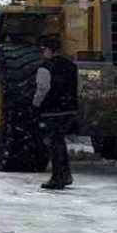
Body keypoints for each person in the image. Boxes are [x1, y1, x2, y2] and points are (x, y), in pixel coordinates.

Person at [34, 35, 78, 191]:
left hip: (52, 109)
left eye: (44, 49)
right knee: (60, 141)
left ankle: (57, 177)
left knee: (54, 143)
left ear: (49, 50)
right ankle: (66, 175)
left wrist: (36, 103)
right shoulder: (71, 65)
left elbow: (43, 88)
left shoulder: (46, 66)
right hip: (69, 108)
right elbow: (78, 86)